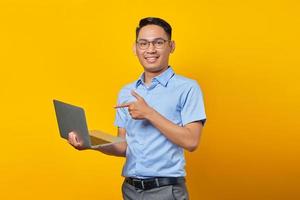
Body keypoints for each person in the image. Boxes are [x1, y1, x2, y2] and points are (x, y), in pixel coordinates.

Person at [68, 17, 206, 200]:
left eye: (158, 42)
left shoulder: (187, 88)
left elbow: (191, 141)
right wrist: (90, 143)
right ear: (135, 48)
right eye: (144, 43)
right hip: (130, 190)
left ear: (171, 46)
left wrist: (149, 113)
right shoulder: (127, 91)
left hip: (166, 191)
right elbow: (123, 146)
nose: (150, 49)